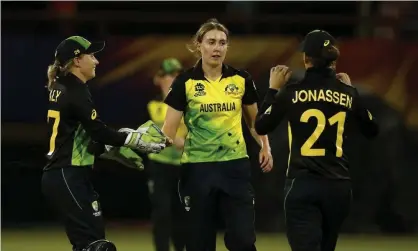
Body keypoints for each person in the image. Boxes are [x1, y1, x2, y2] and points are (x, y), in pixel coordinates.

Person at [255, 30, 379, 251]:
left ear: (305, 58)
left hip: (303, 185)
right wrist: (352, 92)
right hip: (339, 188)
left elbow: (262, 125)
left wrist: (273, 90)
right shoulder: (348, 94)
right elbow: (372, 130)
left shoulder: (292, 93)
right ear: (334, 60)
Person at [41, 36, 167, 251]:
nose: (96, 61)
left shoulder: (63, 85)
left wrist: (110, 149)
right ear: (77, 60)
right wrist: (133, 140)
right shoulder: (75, 90)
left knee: (91, 244)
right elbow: (99, 132)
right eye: (91, 55)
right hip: (67, 174)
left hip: (66, 174)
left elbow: (80, 138)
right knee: (98, 246)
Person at [162, 18, 274, 251]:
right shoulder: (185, 82)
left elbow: (255, 123)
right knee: (198, 244)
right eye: (211, 42)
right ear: (199, 44)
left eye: (222, 43)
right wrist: (147, 142)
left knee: (243, 241)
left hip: (234, 168)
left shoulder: (241, 79)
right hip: (197, 170)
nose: (217, 48)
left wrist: (265, 147)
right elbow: (168, 131)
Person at [147, 58, 187, 251]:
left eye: (178, 76)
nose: (175, 80)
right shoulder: (154, 104)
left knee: (182, 213)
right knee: (162, 213)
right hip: (160, 166)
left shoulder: (189, 104)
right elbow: (162, 128)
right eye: (171, 75)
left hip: (182, 166)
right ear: (160, 78)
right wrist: (176, 139)